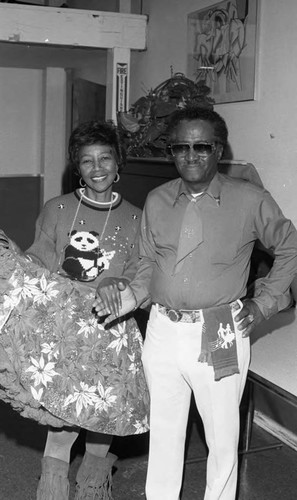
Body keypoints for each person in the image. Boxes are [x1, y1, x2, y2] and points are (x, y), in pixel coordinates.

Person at [93, 106, 297, 500]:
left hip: (218, 328)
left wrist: (265, 302)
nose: (190, 155)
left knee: (222, 439)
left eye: (201, 146)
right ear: (171, 152)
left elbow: (290, 247)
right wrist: (130, 296)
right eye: (180, 147)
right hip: (162, 330)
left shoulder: (250, 200)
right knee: (165, 431)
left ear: (219, 149)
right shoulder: (157, 200)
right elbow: (147, 262)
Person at [0, 121, 149, 500]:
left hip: (113, 332)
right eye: (87, 161)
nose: (97, 168)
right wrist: (17, 261)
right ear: (76, 167)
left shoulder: (137, 217)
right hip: (65, 331)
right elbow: (41, 259)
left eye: (105, 158)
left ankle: (93, 491)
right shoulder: (58, 208)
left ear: (118, 163)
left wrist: (120, 286)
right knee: (61, 432)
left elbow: (139, 272)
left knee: (104, 427)